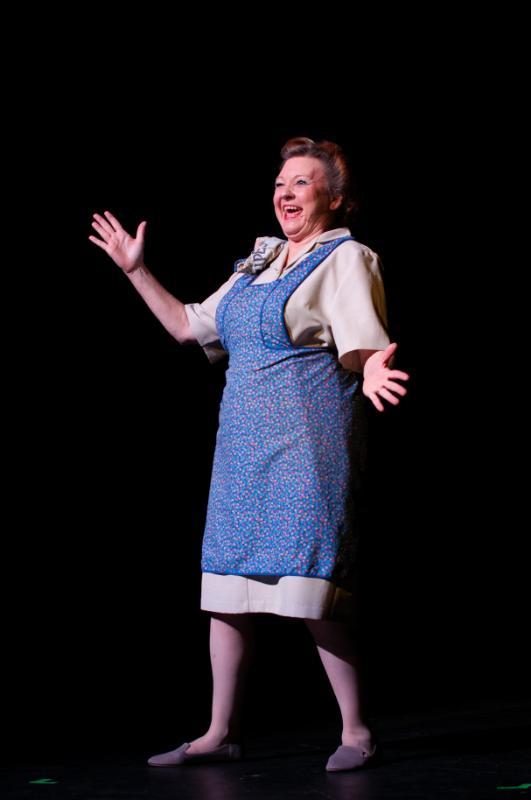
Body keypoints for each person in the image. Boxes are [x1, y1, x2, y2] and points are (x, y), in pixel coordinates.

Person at [89, 137, 409, 772]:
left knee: (311, 588)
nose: (285, 193)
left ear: (334, 198)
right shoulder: (258, 261)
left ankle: (356, 732)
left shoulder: (346, 257)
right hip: (241, 447)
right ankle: (220, 732)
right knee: (227, 589)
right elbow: (188, 325)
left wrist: (373, 367)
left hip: (308, 444)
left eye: (302, 183)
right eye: (280, 183)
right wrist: (135, 270)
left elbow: (362, 340)